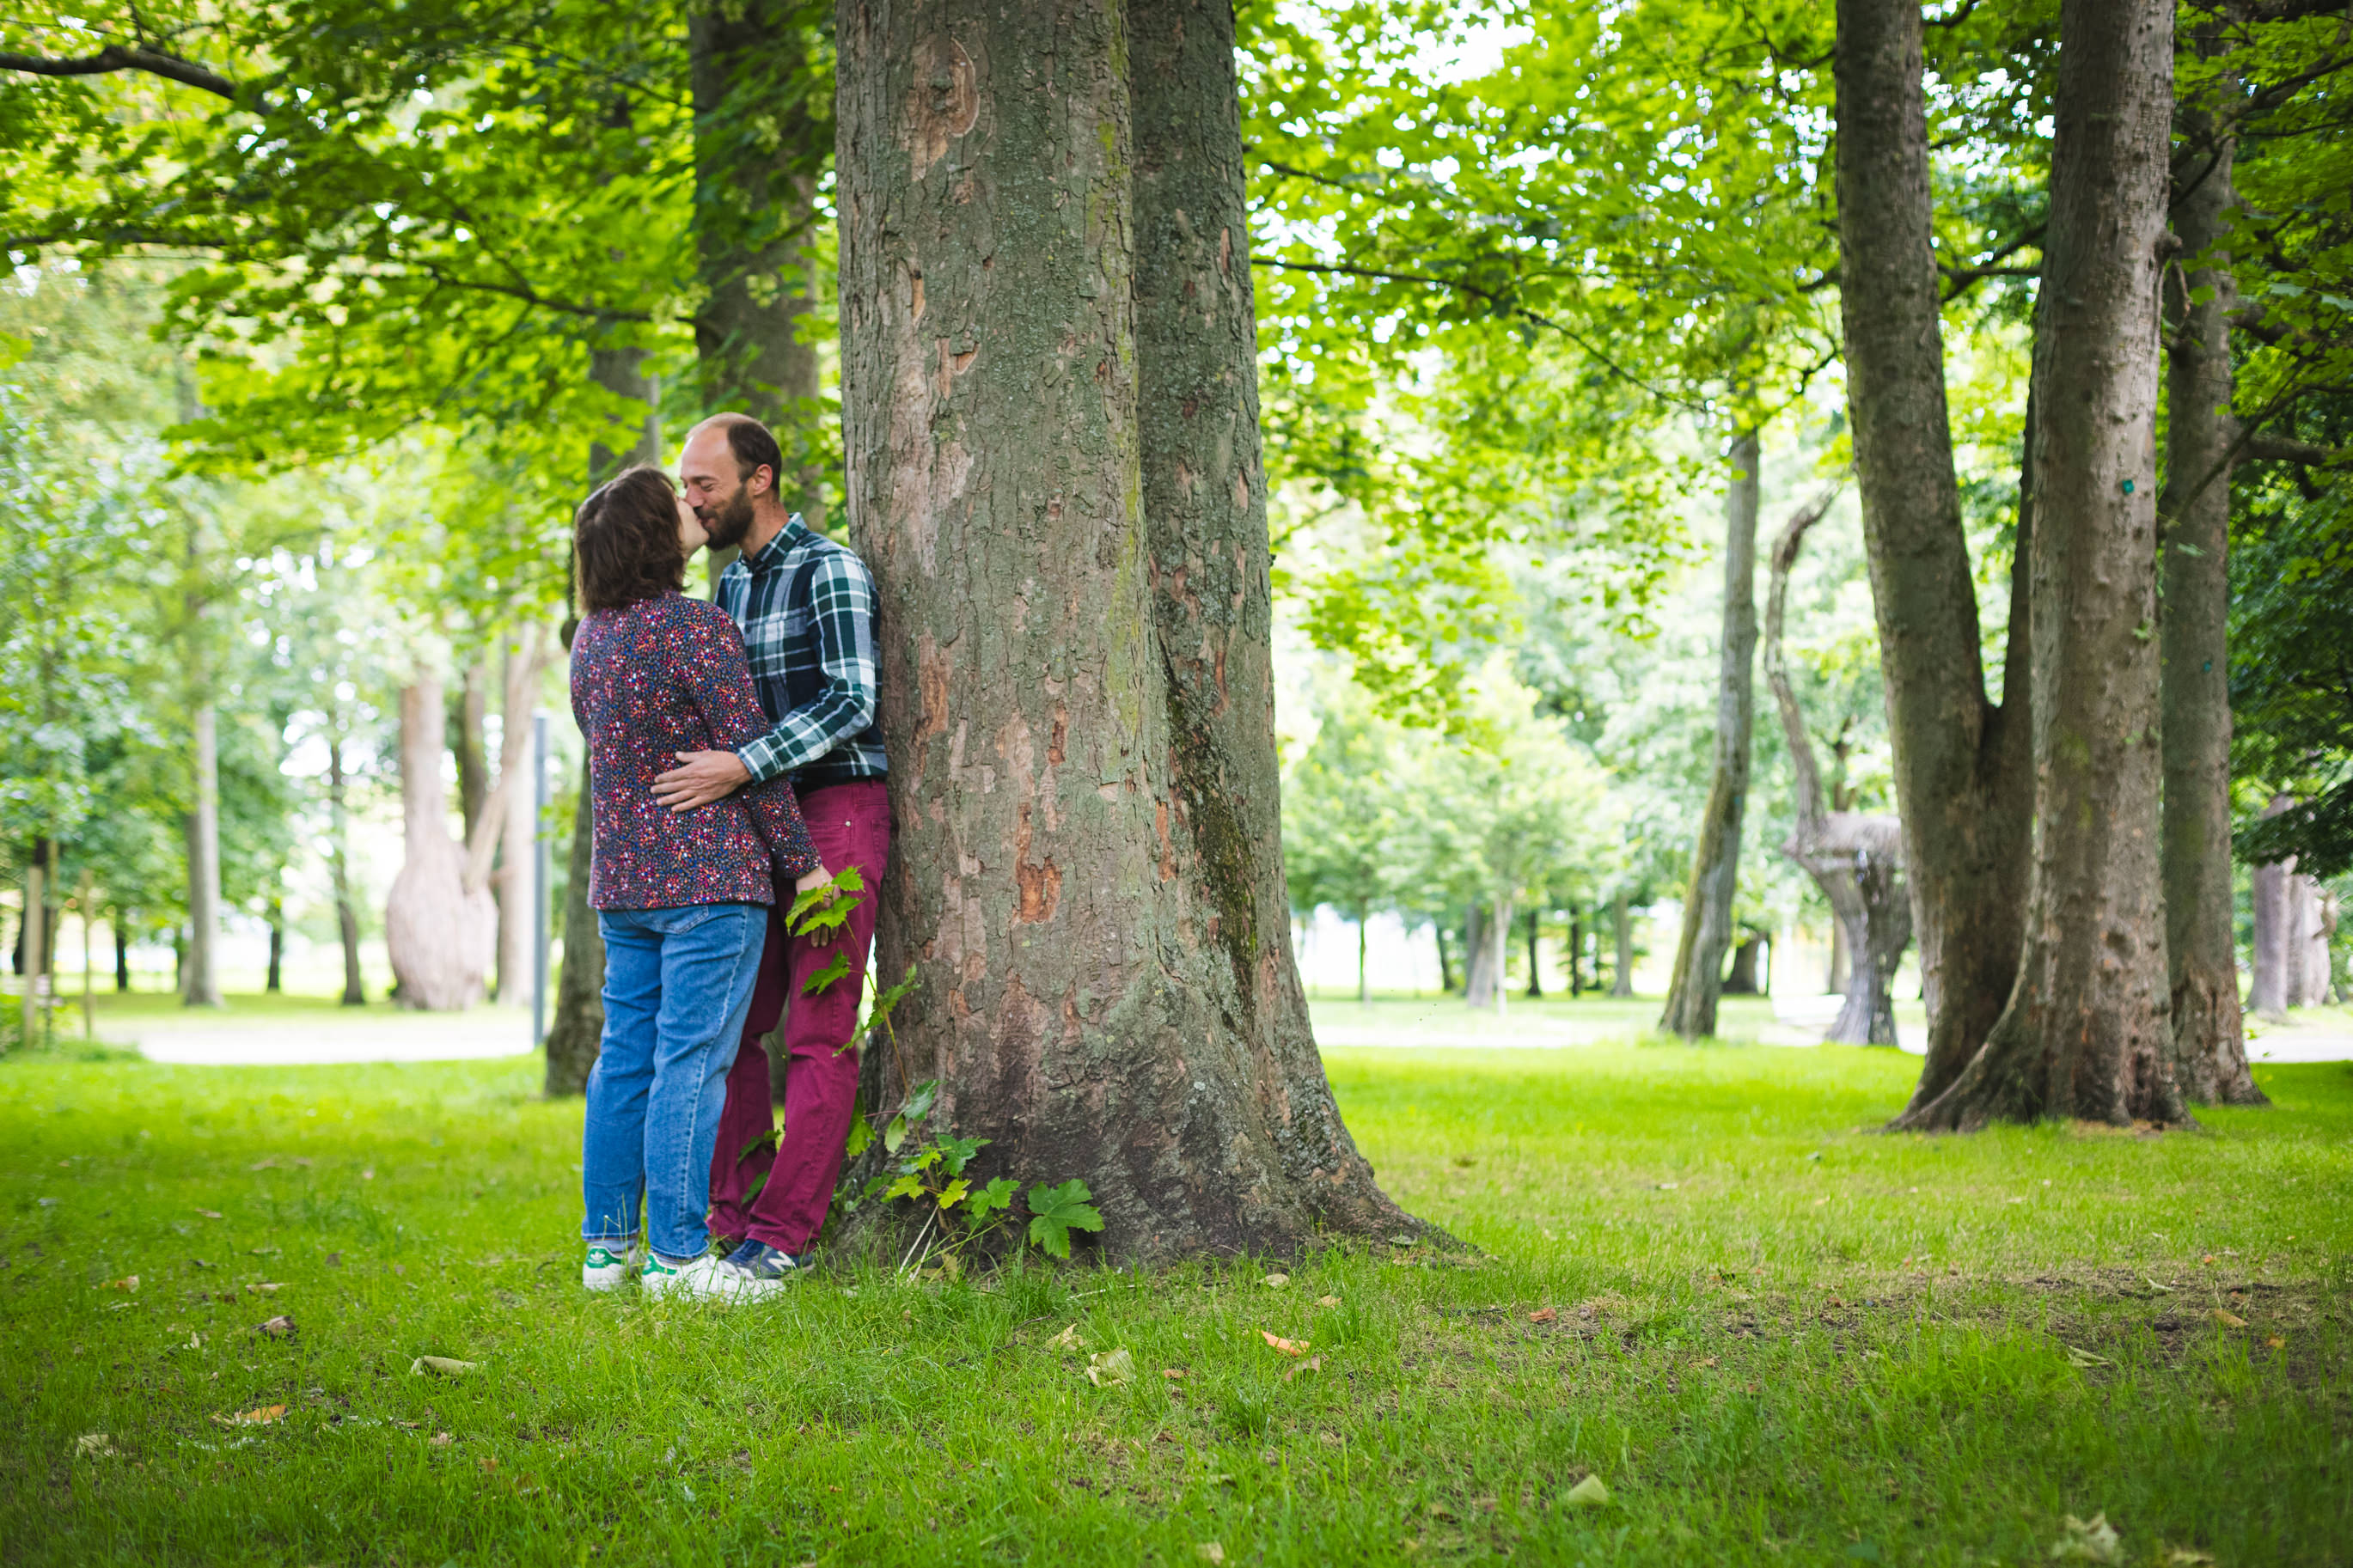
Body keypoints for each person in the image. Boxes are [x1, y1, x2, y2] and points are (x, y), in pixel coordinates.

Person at [570, 464, 834, 1300]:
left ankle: (607, 1251)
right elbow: (748, 756)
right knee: (689, 1064)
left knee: (623, 1062)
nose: (693, 508)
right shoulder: (697, 628)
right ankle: (681, 1260)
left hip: (624, 888)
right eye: (676, 503)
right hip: (708, 884)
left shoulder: (588, 639)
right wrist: (807, 865)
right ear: (656, 535)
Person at [654, 413, 890, 1288]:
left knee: (819, 1031)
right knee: (734, 1022)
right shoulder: (729, 592)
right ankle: (734, 1219)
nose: (691, 500)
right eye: (684, 485)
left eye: (703, 484)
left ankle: (783, 1236)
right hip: (759, 820)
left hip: (840, 807)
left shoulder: (826, 566)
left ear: (759, 478)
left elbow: (851, 697)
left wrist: (742, 762)